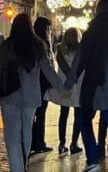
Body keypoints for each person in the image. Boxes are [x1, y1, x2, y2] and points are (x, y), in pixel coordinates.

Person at [0, 13, 66, 172]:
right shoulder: (39, 45)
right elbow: (48, 71)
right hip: (31, 97)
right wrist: (62, 90)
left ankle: (17, 168)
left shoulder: (8, 44)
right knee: (26, 133)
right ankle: (23, 164)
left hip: (10, 97)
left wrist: (4, 76)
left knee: (12, 136)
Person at [66, 0, 108, 172]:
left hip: (94, 87)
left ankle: (93, 157)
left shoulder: (91, 33)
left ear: (97, 11)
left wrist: (70, 82)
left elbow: (80, 60)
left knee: (84, 121)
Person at [47, 27, 83, 156]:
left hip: (63, 86)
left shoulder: (59, 49)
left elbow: (61, 65)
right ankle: (74, 143)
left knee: (63, 114)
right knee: (78, 115)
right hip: (78, 84)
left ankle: (62, 143)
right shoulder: (81, 49)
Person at [29, 17, 55, 156]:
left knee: (37, 114)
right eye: (49, 28)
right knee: (39, 114)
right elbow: (47, 66)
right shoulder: (41, 44)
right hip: (41, 83)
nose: (50, 31)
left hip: (39, 83)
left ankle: (36, 142)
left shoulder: (38, 42)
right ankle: (38, 142)